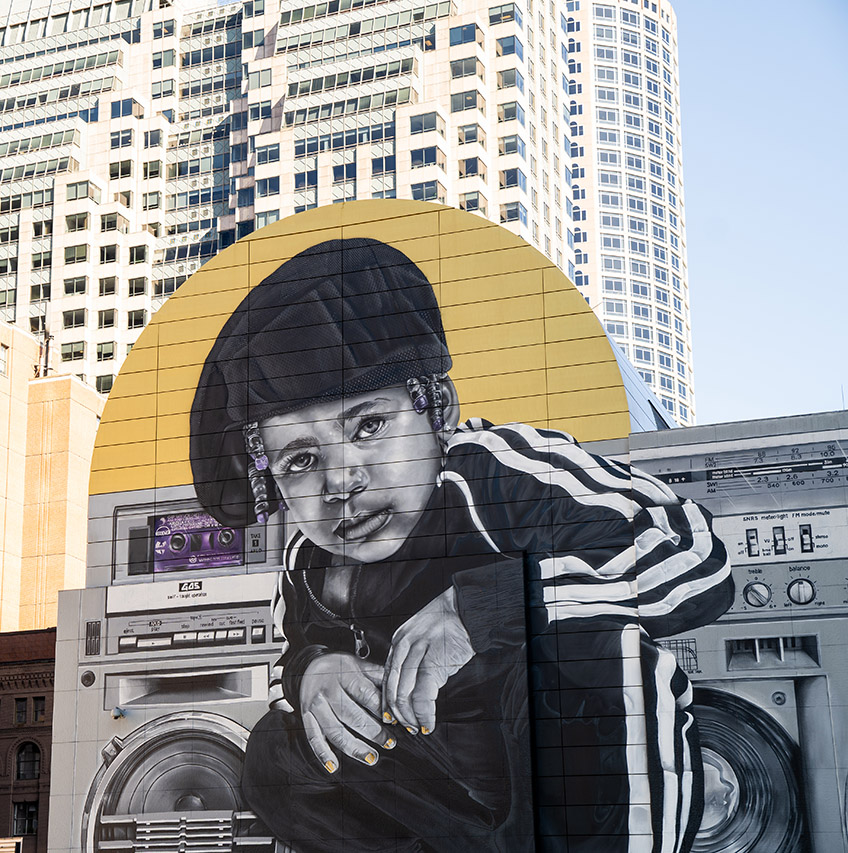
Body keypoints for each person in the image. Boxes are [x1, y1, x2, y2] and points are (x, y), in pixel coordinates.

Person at [188, 237, 732, 852]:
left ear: (437, 410)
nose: (340, 482)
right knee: (278, 750)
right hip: (435, 780)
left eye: (369, 426)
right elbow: (294, 650)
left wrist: (487, 607)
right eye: (302, 460)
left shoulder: (509, 474)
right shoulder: (308, 562)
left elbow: (695, 559)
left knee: (594, 656)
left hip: (557, 772)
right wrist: (315, 671)